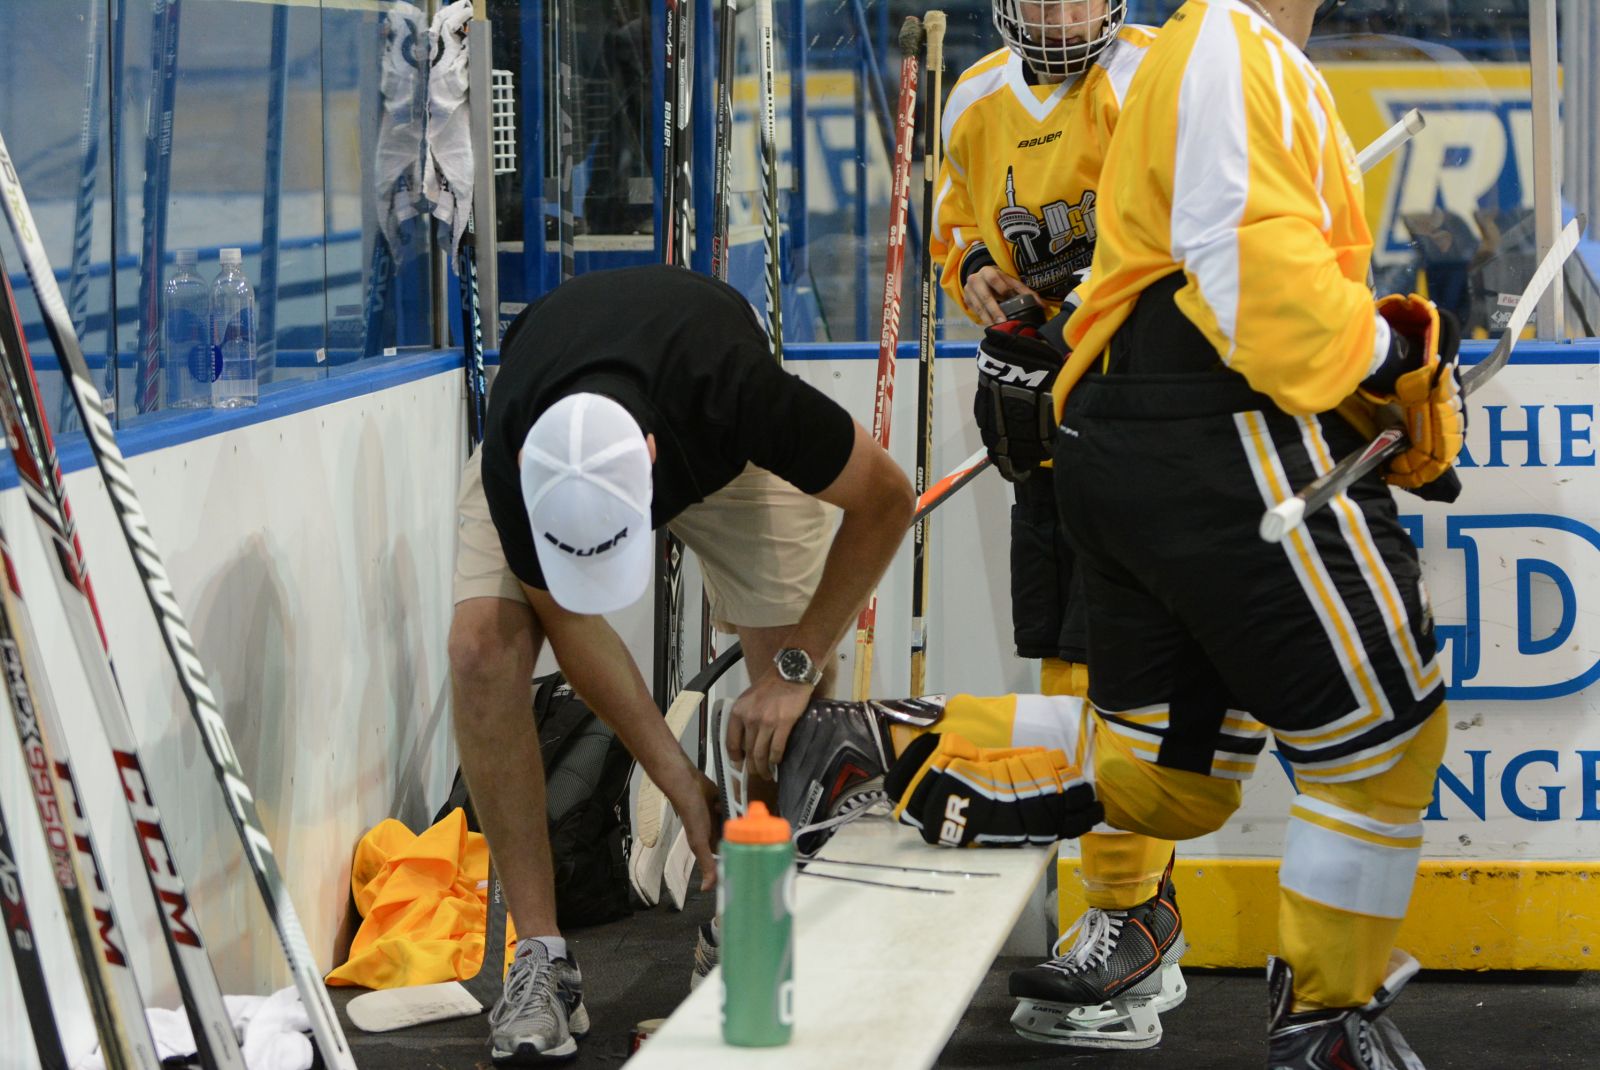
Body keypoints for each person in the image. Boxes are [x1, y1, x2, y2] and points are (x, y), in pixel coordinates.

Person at [449, 264, 915, 1063]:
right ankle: (540, 957)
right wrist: (676, 776)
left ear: (652, 454)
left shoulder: (739, 393)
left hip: (726, 455)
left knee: (792, 693)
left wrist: (795, 668)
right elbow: (569, 620)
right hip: (558, 409)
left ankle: (750, 921)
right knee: (480, 651)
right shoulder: (519, 450)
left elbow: (888, 499)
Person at [927, 0, 1187, 1049]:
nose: (1062, 12)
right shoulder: (977, 98)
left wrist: (1092, 315)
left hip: (1143, 414)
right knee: (1065, 666)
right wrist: (973, 276)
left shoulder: (1158, 72)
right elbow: (956, 225)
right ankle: (1143, 923)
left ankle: (1130, 920)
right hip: (1045, 416)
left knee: (1116, 671)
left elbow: (1193, 233)